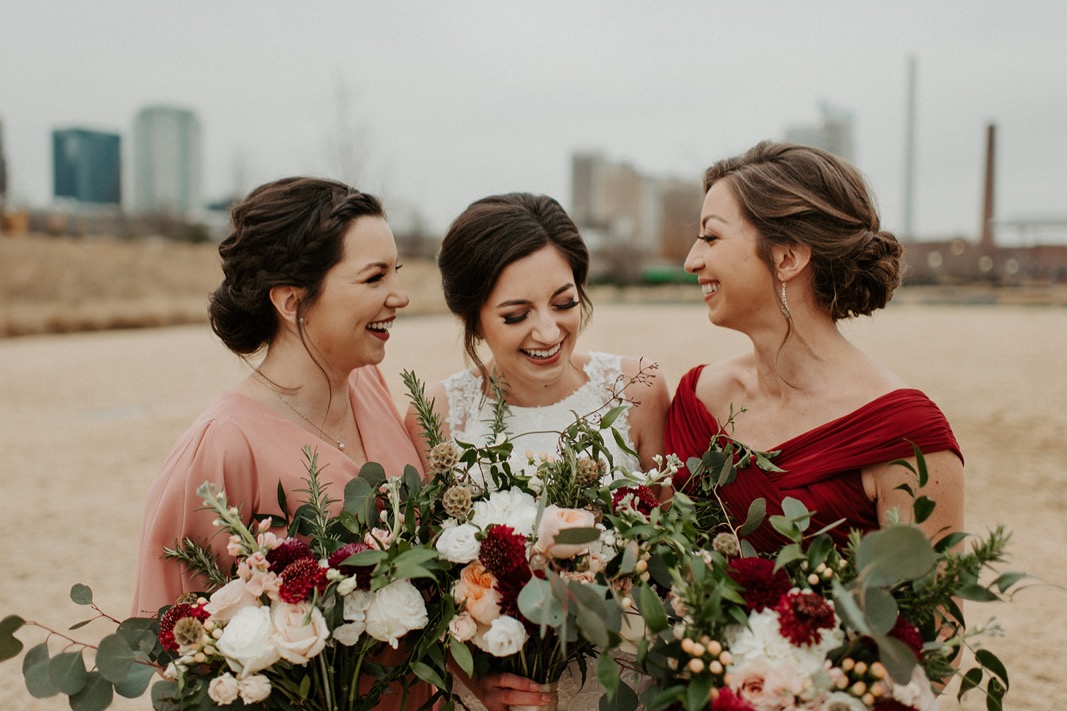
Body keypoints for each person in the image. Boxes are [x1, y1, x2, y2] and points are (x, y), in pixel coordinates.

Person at [132, 177, 430, 709]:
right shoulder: (223, 444)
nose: (399, 295)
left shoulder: (371, 386)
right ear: (293, 301)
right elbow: (175, 644)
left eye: (396, 273)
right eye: (373, 277)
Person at [406, 192, 668, 711]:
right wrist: (475, 680)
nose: (548, 331)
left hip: (621, 689)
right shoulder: (436, 415)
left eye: (564, 303)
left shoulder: (638, 390)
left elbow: (669, 560)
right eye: (515, 314)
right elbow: (427, 589)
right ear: (473, 316)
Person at [665, 141, 964, 553]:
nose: (691, 260)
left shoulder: (906, 437)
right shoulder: (695, 400)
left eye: (711, 237)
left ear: (787, 257)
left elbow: (934, 618)